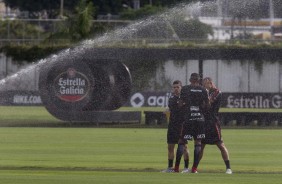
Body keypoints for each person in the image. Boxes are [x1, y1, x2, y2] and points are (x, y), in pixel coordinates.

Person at [200, 77, 232, 174]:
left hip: (213, 122)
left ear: (210, 83)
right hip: (203, 122)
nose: (203, 85)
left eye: (204, 83)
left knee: (220, 144)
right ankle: (194, 168)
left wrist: (203, 97)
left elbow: (208, 104)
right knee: (200, 145)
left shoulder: (217, 92)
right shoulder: (204, 93)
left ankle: (228, 168)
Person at [179, 73, 210, 173]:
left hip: (188, 118)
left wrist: (185, 106)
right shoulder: (203, 90)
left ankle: (176, 168)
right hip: (200, 119)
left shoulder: (185, 89)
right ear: (199, 80)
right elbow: (208, 105)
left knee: (182, 142)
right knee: (198, 143)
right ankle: (194, 169)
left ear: (190, 80)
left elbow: (180, 104)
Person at [162, 80, 190, 173]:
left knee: (185, 147)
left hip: (182, 126)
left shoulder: (186, 98)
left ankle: (186, 168)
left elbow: (178, 109)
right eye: (174, 87)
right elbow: (172, 109)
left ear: (181, 87)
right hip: (172, 125)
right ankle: (170, 168)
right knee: (170, 146)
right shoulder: (171, 98)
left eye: (178, 87)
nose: (176, 89)